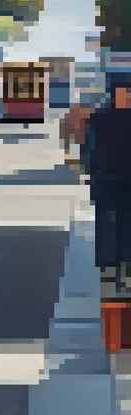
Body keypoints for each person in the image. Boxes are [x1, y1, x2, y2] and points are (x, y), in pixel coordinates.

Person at [87, 77, 131, 287]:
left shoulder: (98, 116)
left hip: (104, 178)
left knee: (105, 223)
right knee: (126, 222)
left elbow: (89, 149)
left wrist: (90, 173)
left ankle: (107, 268)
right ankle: (125, 266)